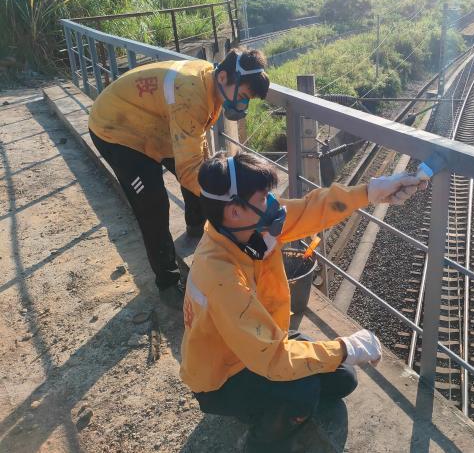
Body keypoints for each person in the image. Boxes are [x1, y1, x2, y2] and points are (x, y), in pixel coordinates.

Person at [179, 151, 428, 452]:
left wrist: (371, 192)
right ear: (234, 211)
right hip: (224, 375)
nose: (273, 204)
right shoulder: (220, 274)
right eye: (263, 198)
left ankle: (277, 403)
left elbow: (312, 209)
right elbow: (272, 358)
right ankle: (258, 443)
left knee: (343, 379)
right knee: (303, 391)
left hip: (258, 338)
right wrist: (346, 347)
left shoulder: (245, 228)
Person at [87, 49, 269, 297]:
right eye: (244, 96)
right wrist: (232, 205)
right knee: (153, 204)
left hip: (156, 124)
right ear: (224, 77)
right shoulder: (190, 95)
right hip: (118, 129)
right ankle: (168, 282)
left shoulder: (210, 78)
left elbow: (197, 147)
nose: (243, 105)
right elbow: (188, 172)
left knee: (204, 172)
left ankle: (197, 225)